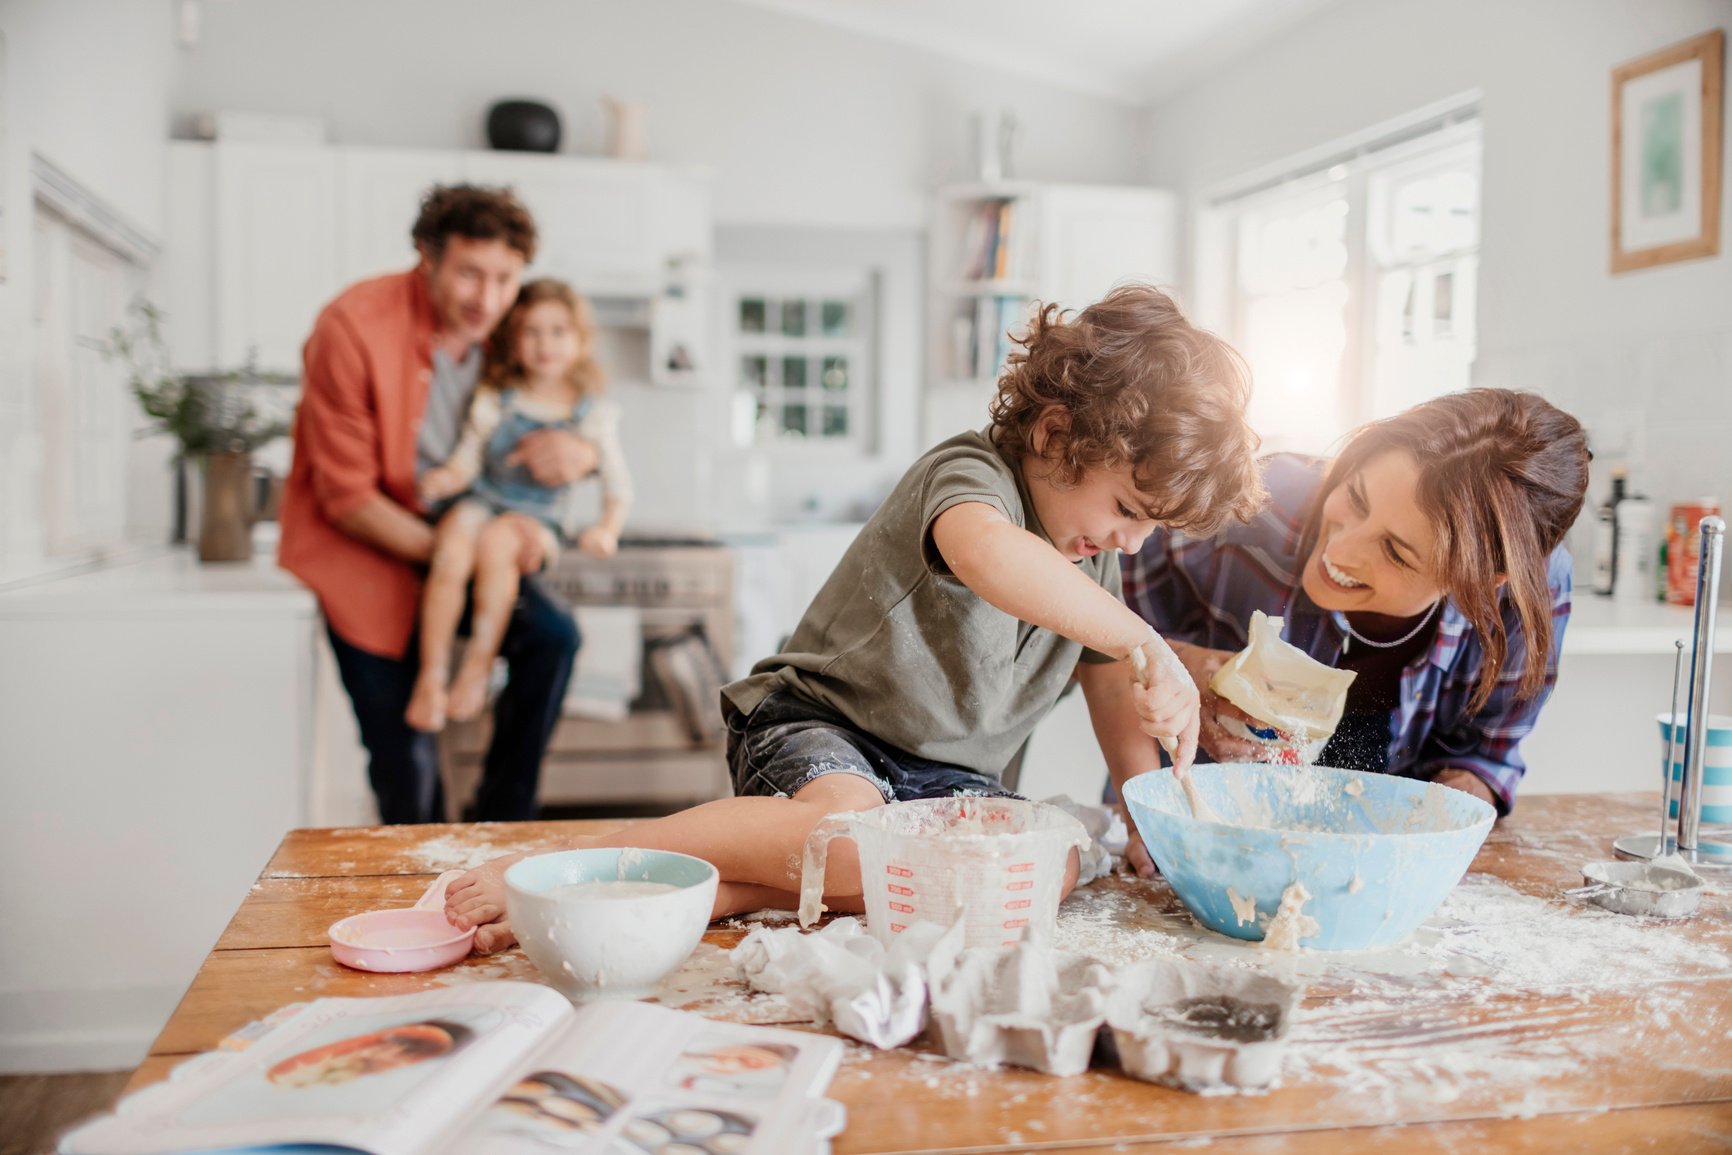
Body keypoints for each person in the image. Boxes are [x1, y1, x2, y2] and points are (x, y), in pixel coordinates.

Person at [443, 284, 1267, 953]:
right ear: (1056, 433)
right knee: (848, 840)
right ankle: (580, 861)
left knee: (1039, 871)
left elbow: (1107, 688)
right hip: (823, 731)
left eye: (1150, 525)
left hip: (948, 789)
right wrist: (1142, 637)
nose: (1131, 537)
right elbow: (987, 555)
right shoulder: (972, 473)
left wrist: (1137, 810)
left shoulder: (1095, 557)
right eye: (1127, 506)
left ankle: (682, 893)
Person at [1119, 388, 1590, 872]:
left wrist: (1438, 817)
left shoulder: (1525, 596)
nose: (1340, 552)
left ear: (1478, 583)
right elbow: (1074, 640)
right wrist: (1178, 666)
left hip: (1381, 861)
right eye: (1358, 499)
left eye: (1396, 551)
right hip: (1192, 837)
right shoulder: (1251, 503)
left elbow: (1484, 754)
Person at [279, 185, 594, 824]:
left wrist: (579, 454)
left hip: (467, 533)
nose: (487, 298)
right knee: (409, 766)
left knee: (553, 639)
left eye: (505, 278)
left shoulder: (507, 330)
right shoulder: (351, 327)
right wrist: (466, 555)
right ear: (427, 257)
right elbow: (347, 499)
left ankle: (503, 829)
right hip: (364, 550)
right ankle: (414, 902)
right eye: (469, 274)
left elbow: (568, 400)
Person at [406, 279, 633, 732]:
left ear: (580, 340)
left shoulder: (591, 412)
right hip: (483, 498)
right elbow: (468, 459)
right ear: (512, 338)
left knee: (497, 543)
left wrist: (606, 528)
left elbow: (618, 486)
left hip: (536, 519)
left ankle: (477, 666)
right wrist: (444, 479)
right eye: (531, 331)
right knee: (451, 548)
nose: (544, 344)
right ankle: (430, 678)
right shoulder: (496, 397)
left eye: (558, 331)